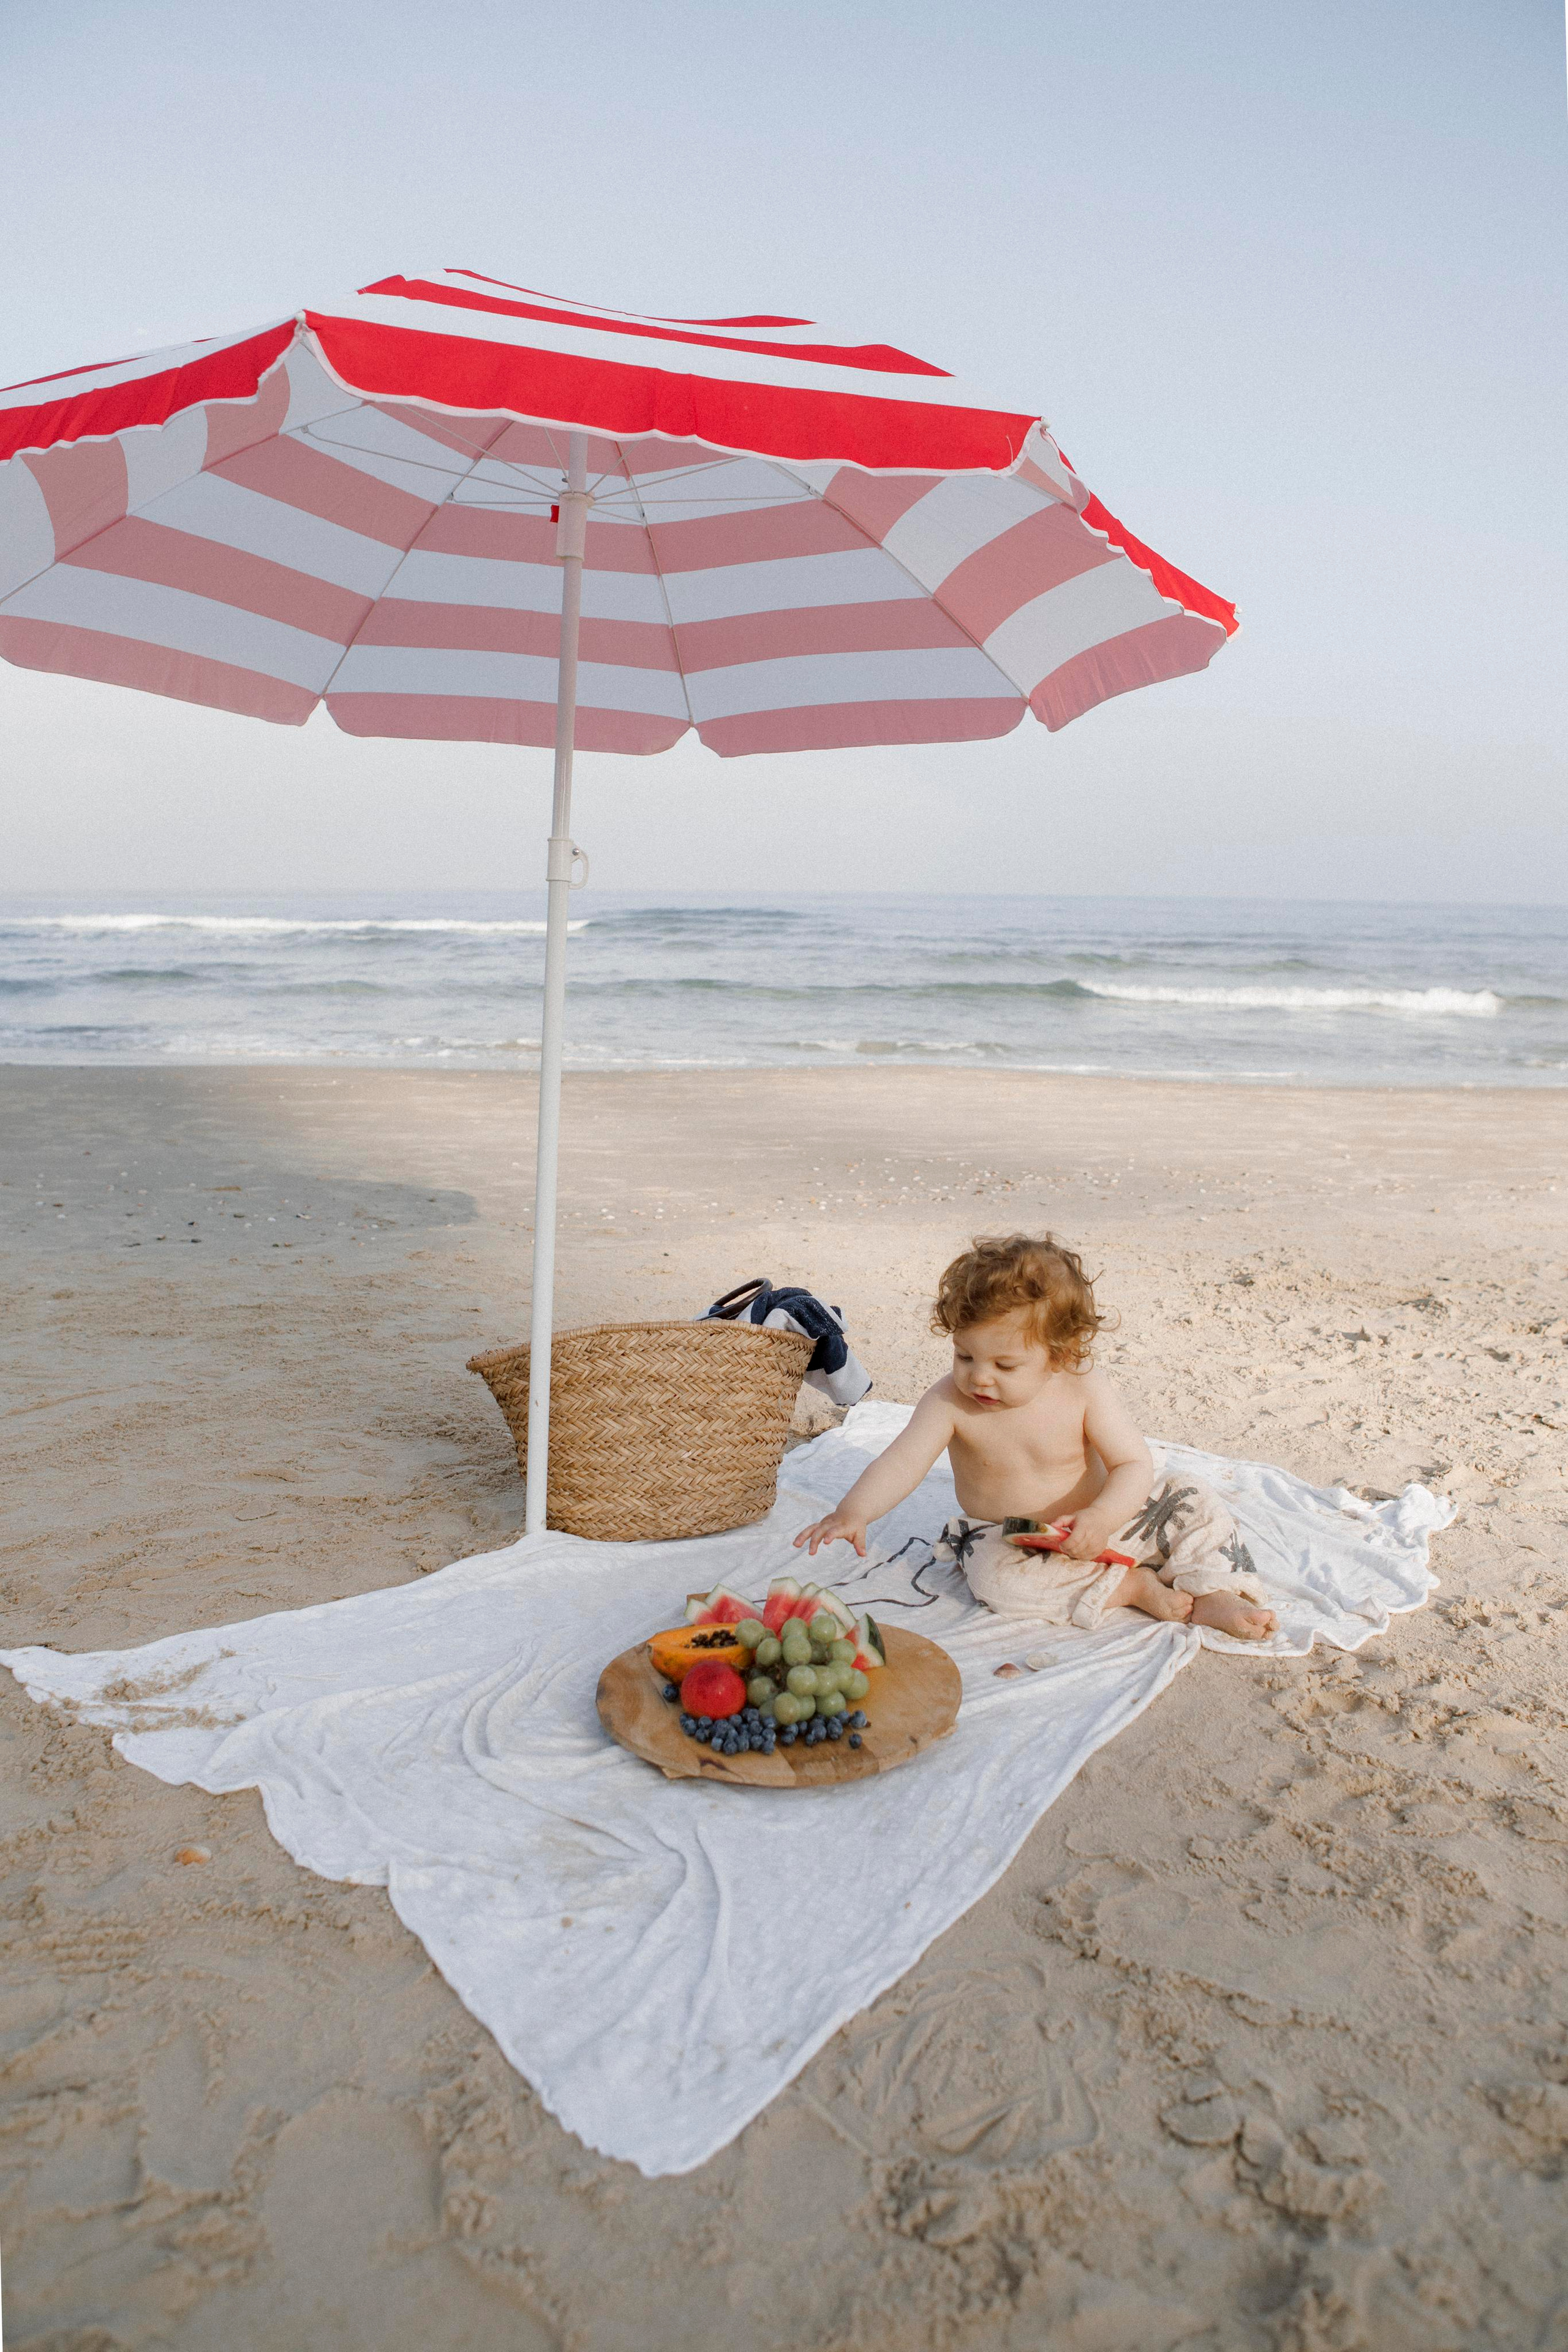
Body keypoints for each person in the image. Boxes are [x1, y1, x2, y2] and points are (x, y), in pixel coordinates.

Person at [794, 1233, 1277, 1642]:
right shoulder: (947, 1402)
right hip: (1012, 1536)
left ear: (1060, 1356)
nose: (980, 1379)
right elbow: (901, 1463)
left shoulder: (1084, 1388)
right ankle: (1128, 1589)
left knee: (1193, 1495)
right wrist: (853, 1512)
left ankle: (1215, 1592)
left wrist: (1103, 1517)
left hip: (1104, 1523)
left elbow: (1132, 1464)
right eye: (965, 1357)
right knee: (993, 1580)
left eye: (1005, 1365)